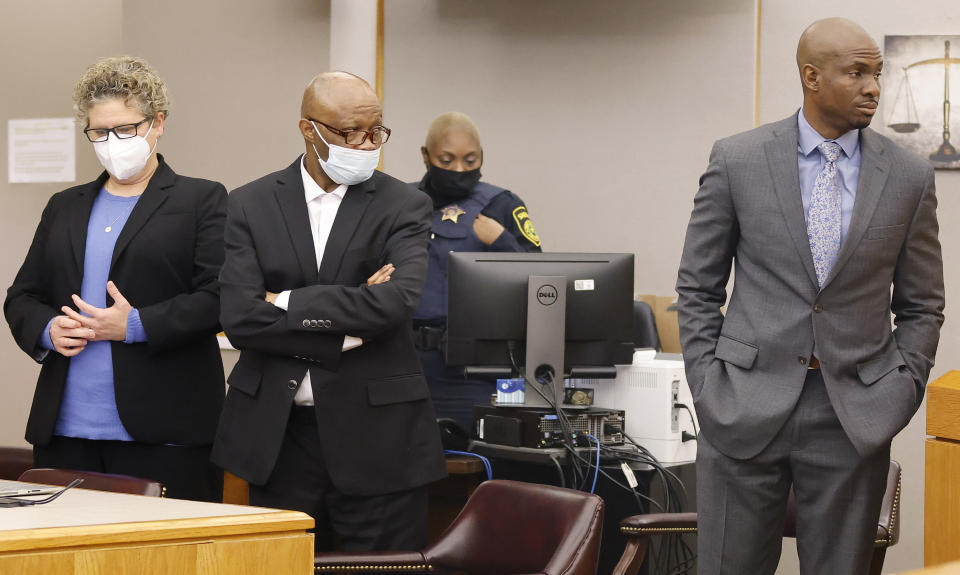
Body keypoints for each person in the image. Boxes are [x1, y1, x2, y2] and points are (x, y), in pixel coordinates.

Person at [676, 18, 944, 574]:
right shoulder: (738, 159)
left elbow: (921, 305)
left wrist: (900, 387)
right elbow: (698, 287)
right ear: (811, 77)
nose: (874, 86)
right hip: (741, 404)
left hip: (853, 414)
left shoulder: (909, 176)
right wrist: (708, 384)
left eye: (877, 73)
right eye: (857, 72)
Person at [212, 71, 447, 552]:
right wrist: (343, 328)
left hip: (379, 440)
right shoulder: (250, 204)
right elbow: (238, 316)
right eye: (349, 132)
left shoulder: (406, 204)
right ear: (308, 129)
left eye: (375, 130)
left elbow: (396, 301)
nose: (365, 144)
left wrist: (284, 300)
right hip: (279, 440)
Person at [4, 56, 227, 502]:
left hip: (166, 432)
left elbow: (220, 298)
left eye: (125, 129)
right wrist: (48, 329)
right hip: (65, 430)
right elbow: (21, 296)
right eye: (99, 132)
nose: (112, 142)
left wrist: (135, 325)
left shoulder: (201, 199)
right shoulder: (64, 206)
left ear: (157, 123)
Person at [413, 112, 542, 431]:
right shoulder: (402, 203)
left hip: (480, 369)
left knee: (487, 459)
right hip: (411, 364)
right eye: (447, 159)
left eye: (470, 161)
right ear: (426, 157)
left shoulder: (502, 204)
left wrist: (501, 241)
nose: (459, 170)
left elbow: (540, 282)